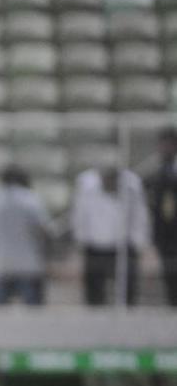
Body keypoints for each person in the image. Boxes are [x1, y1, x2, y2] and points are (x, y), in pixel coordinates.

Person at [71, 165, 150, 306]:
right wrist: (81, 240)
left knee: (127, 287)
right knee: (94, 288)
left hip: (123, 245)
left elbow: (140, 216)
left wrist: (139, 242)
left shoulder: (132, 187)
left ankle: (128, 312)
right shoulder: (86, 187)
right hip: (95, 244)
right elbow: (79, 216)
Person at [0, 164, 54, 306]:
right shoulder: (30, 199)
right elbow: (44, 229)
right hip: (29, 264)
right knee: (34, 315)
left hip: (2, 263)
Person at [144, 126, 177, 306]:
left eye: (169, 145)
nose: (165, 149)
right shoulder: (157, 175)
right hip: (165, 234)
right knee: (169, 274)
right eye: (162, 145)